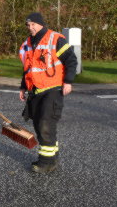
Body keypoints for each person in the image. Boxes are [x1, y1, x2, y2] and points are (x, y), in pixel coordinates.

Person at [17, 12, 77, 173]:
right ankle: (51, 156)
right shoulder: (28, 43)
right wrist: (23, 87)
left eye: (33, 25)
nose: (30, 28)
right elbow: (28, 69)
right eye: (28, 25)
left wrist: (68, 81)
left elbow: (71, 60)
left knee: (45, 123)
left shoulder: (55, 39)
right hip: (35, 90)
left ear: (41, 24)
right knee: (40, 124)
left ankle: (47, 162)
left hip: (53, 88)